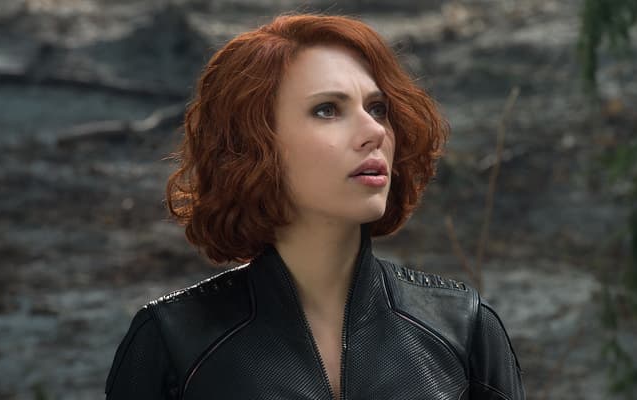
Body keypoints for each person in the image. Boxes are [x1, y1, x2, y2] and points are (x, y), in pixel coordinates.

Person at [105, 13, 524, 400]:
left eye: (378, 109)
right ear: (254, 143)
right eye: (327, 110)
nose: (374, 131)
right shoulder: (172, 343)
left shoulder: (463, 327)